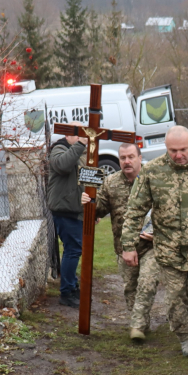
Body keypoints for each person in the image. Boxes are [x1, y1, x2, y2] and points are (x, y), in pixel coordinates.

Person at [121, 126, 188, 358]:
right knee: (174, 299)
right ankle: (186, 337)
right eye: (173, 150)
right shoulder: (152, 171)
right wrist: (129, 245)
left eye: (183, 149)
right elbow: (135, 210)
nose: (178, 155)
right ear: (166, 147)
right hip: (168, 248)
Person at [81, 143, 158, 341]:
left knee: (147, 282)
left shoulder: (154, 179)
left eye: (131, 157)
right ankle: (142, 322)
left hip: (152, 245)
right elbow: (100, 210)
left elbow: (169, 211)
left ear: (140, 158)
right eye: (123, 158)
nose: (127, 161)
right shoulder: (111, 183)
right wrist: (89, 202)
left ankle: (137, 326)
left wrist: (157, 231)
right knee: (130, 288)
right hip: (124, 247)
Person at [47, 122, 88, 308]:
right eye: (77, 133)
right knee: (73, 249)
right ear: (68, 134)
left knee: (75, 249)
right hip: (64, 209)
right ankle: (67, 291)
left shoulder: (77, 152)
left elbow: (86, 179)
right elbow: (63, 165)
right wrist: (79, 144)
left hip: (76, 209)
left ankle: (72, 286)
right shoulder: (59, 149)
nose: (81, 136)